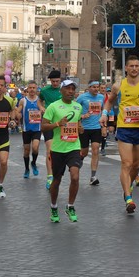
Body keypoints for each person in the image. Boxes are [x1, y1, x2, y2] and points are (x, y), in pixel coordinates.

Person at [100, 55, 139, 214]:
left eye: (137, 66)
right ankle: (128, 197)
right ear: (126, 68)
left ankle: (128, 186)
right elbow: (109, 101)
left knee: (136, 165)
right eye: (131, 66)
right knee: (126, 163)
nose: (134, 68)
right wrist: (104, 114)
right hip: (124, 128)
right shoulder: (118, 86)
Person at [42, 79, 83, 223]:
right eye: (68, 88)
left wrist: (80, 128)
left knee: (75, 176)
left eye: (73, 89)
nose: (71, 91)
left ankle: (70, 206)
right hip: (58, 149)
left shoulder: (78, 107)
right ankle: (53, 206)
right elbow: (43, 126)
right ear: (61, 91)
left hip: (73, 146)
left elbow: (78, 124)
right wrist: (58, 124)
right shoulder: (53, 107)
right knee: (57, 180)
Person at [77, 80, 105, 185]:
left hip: (96, 127)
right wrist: (82, 117)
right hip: (84, 128)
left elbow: (105, 111)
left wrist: (104, 126)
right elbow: (73, 110)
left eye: (97, 87)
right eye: (93, 87)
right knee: (84, 152)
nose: (96, 89)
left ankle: (93, 176)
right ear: (89, 88)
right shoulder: (82, 97)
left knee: (95, 150)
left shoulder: (101, 98)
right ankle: (78, 161)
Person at [39, 70, 62, 190]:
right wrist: (41, 107)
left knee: (59, 152)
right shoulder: (44, 91)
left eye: (57, 81)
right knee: (49, 150)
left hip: (61, 124)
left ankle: (58, 173)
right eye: (53, 81)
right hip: (48, 123)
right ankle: (49, 176)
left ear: (60, 80)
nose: (55, 83)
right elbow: (39, 100)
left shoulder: (64, 90)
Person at [16, 80, 43, 178]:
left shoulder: (40, 101)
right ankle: (27, 169)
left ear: (36, 89)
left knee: (35, 148)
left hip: (37, 128)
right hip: (26, 129)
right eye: (30, 88)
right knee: (27, 150)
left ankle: (34, 163)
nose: (32, 90)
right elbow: (18, 111)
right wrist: (17, 114)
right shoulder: (23, 100)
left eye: (34, 88)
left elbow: (44, 111)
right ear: (27, 89)